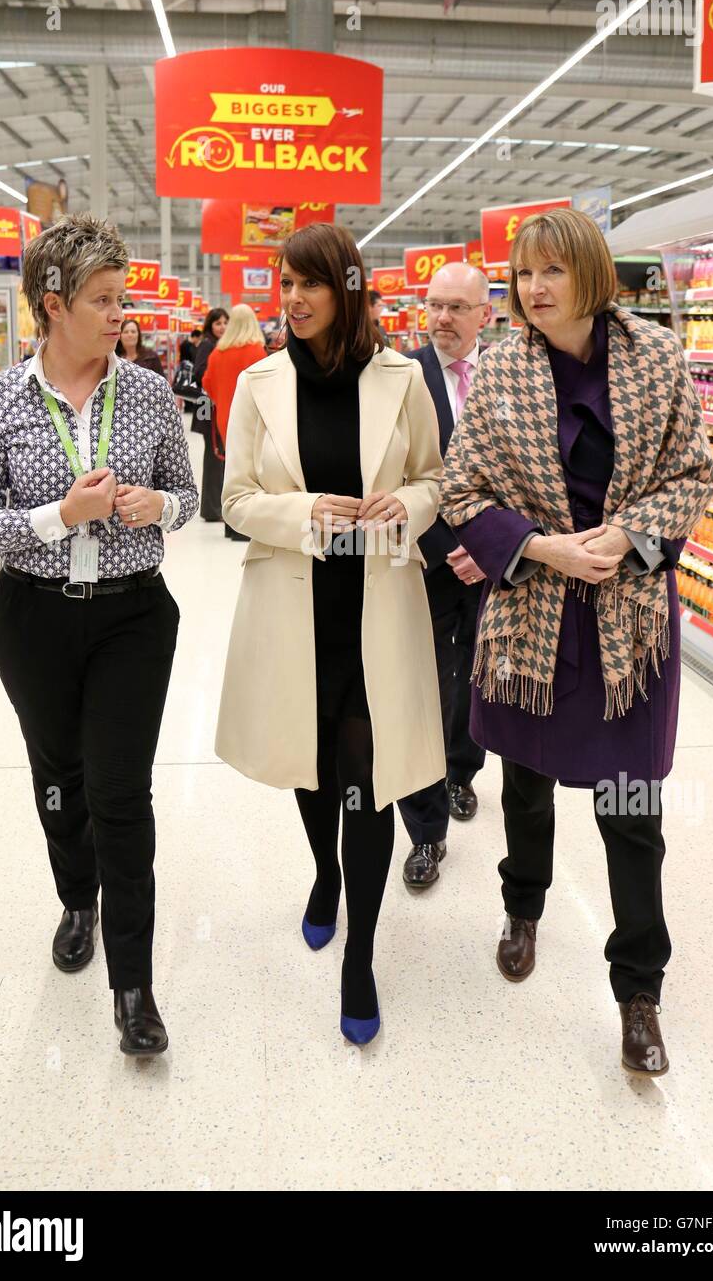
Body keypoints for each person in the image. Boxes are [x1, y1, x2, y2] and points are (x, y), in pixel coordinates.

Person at [440, 208, 713, 1076]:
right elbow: (463, 486)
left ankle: (639, 989)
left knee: (630, 812)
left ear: (591, 275)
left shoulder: (656, 358)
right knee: (524, 788)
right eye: (523, 275)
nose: (534, 289)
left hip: (627, 627)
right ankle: (523, 906)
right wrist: (536, 547)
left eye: (552, 272)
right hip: (532, 620)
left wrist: (630, 534)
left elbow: (693, 473)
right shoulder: (501, 368)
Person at [0, 212, 199, 1057]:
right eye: (102, 300)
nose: (119, 315)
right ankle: (77, 898)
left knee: (120, 792)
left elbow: (187, 497)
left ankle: (133, 986)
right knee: (57, 775)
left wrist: (154, 505)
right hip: (34, 616)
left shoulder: (149, 393)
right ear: (52, 306)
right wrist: (64, 514)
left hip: (134, 613)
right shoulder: (1, 400)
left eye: (121, 298)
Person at [215, 223, 445, 1046]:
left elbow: (433, 477)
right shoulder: (259, 383)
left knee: (368, 772)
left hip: (376, 604)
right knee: (310, 765)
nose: (293, 300)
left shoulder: (402, 377)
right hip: (294, 604)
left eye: (309, 285)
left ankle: (362, 957)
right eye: (284, 285)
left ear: (346, 289)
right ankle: (322, 876)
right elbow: (236, 501)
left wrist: (408, 507)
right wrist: (304, 511)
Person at [397, 263, 490, 890]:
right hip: (423, 559)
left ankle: (462, 770)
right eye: (434, 306)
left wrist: (489, 545)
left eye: (458, 307)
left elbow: (533, 474)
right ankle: (426, 832)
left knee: (479, 675)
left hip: (494, 562)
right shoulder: (401, 376)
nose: (442, 319)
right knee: (421, 686)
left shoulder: (513, 377)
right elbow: (390, 471)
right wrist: (438, 543)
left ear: (487, 314)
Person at [200, 303, 267, 541]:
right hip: (253, 418)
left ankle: (230, 523)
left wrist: (222, 399)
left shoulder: (218, 353)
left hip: (225, 418)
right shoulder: (257, 351)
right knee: (251, 474)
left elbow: (207, 383)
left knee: (230, 470)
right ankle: (244, 526)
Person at [191, 307, 229, 522]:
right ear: (210, 326)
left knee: (217, 457)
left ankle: (214, 506)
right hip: (209, 408)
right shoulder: (207, 344)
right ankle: (212, 508)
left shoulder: (219, 344)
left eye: (225, 323)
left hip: (215, 406)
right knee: (214, 456)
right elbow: (199, 372)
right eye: (218, 323)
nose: (222, 327)